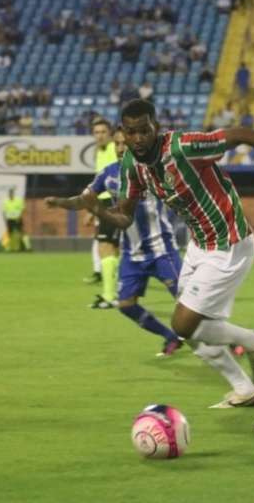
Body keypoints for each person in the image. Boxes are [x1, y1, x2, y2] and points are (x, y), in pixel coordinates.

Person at [48, 98, 254, 408]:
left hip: (228, 242)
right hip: (198, 246)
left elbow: (240, 134)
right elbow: (124, 217)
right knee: (191, 333)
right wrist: (97, 208)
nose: (137, 139)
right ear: (123, 133)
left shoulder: (182, 146)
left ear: (155, 127)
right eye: (130, 132)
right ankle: (244, 390)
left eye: (144, 131)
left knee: (182, 324)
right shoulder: (132, 166)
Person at [48, 129, 184, 356]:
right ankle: (170, 337)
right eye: (117, 144)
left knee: (189, 306)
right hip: (132, 254)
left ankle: (230, 342)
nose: (121, 147)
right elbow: (85, 199)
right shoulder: (108, 174)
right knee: (126, 305)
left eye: (125, 143)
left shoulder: (152, 169)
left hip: (162, 250)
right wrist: (60, 202)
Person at [82, 118, 121, 308]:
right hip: (106, 202)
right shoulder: (100, 152)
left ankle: (109, 296)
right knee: (112, 248)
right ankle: (115, 292)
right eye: (96, 132)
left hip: (114, 202)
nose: (99, 136)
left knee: (105, 247)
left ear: (110, 134)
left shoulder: (116, 148)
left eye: (103, 132)